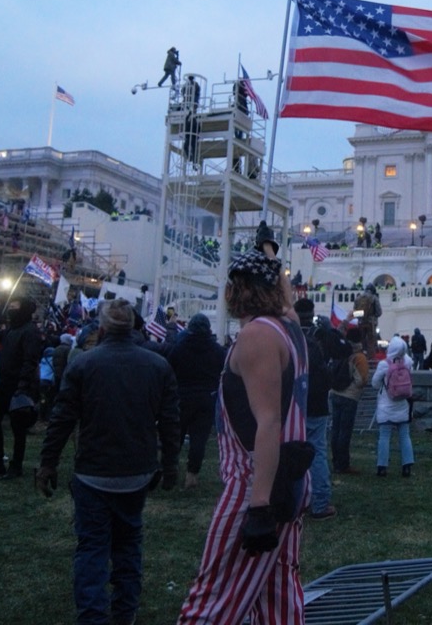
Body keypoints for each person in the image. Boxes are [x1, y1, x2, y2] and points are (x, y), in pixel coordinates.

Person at [177, 251, 311, 624]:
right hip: (291, 477)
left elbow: (267, 423)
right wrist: (274, 265)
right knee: (277, 595)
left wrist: (258, 506)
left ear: (238, 290)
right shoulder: (291, 328)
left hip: (255, 482)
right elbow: (288, 303)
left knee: (211, 602)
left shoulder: (257, 336)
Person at [36, 298, 181, 625]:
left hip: (94, 473)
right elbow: (171, 422)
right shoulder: (157, 366)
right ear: (132, 327)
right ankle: (124, 614)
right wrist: (170, 464)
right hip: (136, 473)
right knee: (128, 546)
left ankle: (93, 617)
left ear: (101, 328)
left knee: (92, 550)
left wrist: (48, 463)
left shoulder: (84, 364)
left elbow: (61, 419)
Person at [0, 297, 42, 479]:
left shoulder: (30, 331)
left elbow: (30, 359)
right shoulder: (12, 329)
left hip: (20, 384)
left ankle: (16, 466)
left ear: (23, 310)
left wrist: (23, 384)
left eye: (14, 307)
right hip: (6, 383)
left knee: (18, 427)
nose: (10, 309)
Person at [166, 313, 224, 491]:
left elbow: (169, 370)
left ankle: (171, 471)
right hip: (207, 398)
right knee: (199, 438)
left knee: (176, 436)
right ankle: (192, 474)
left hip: (182, 396)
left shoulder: (179, 348)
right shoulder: (217, 350)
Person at [294, 298, 335, 520]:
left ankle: (295, 500)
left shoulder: (290, 336)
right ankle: (319, 502)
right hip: (317, 403)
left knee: (292, 451)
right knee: (317, 452)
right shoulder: (321, 336)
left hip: (294, 403)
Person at [372, 337, 415, 477]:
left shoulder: (384, 365)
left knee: (384, 436)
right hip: (402, 404)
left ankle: (382, 467)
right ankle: (407, 465)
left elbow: (375, 383)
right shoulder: (407, 362)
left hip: (386, 405)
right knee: (404, 435)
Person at [329, 327, 369, 474]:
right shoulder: (359, 357)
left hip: (335, 393)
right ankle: (343, 464)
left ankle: (335, 462)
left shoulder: (339, 351)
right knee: (345, 431)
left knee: (335, 430)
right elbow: (362, 380)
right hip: (349, 396)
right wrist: (351, 387)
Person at [353, 285, 382, 359]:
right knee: (371, 342)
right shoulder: (374, 298)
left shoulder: (358, 298)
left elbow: (355, 313)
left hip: (360, 323)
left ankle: (360, 357)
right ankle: (370, 360)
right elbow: (379, 312)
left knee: (360, 341)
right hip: (371, 323)